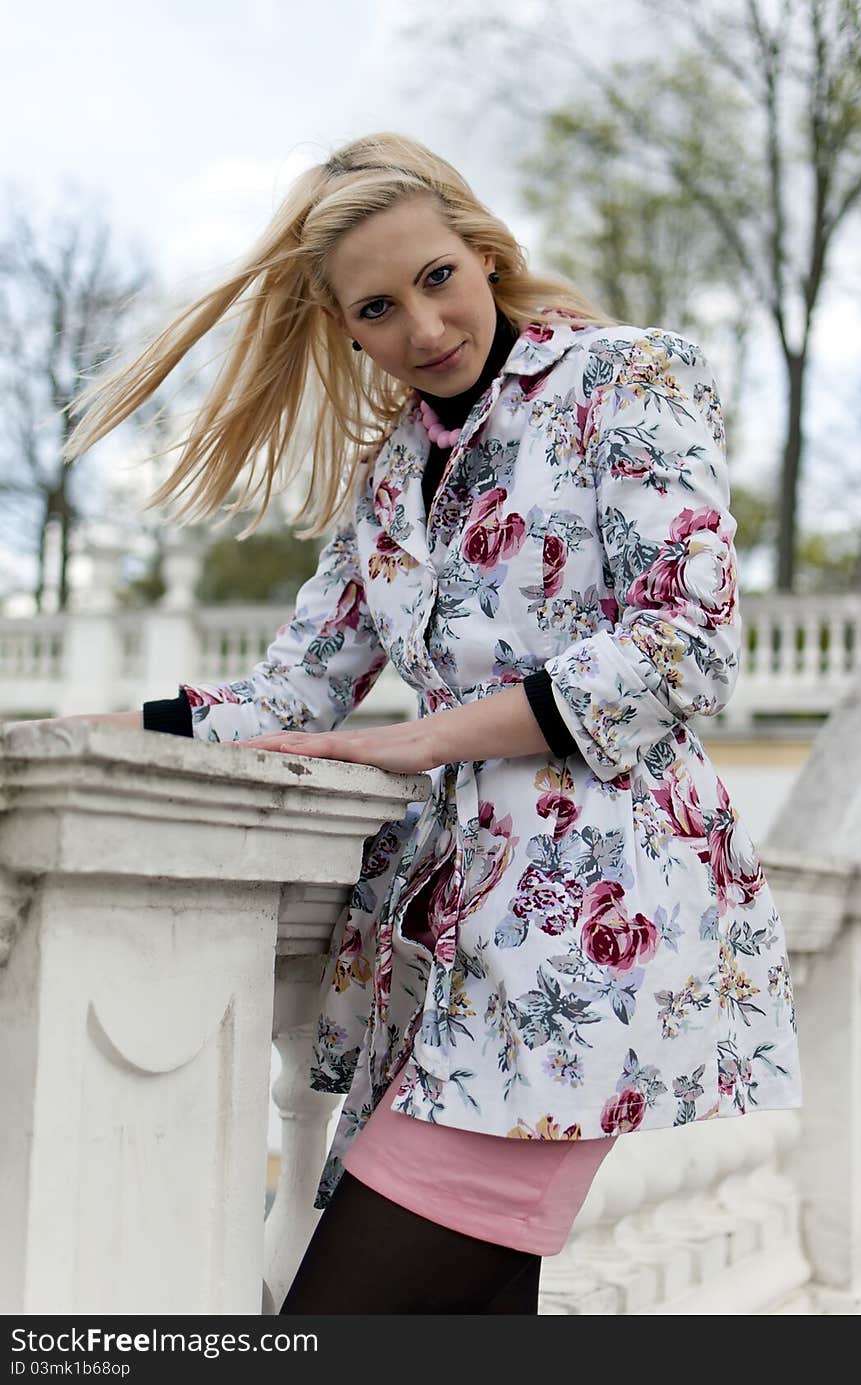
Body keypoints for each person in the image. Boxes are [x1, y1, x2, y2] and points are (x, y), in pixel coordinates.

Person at [58, 131, 802, 1315]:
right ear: (346, 328)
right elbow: (292, 694)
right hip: (447, 974)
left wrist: (423, 738)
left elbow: (685, 640)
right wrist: (89, 728)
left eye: (437, 277)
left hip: (596, 940)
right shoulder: (388, 482)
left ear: (482, 251)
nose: (425, 326)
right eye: (379, 306)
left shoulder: (628, 378)